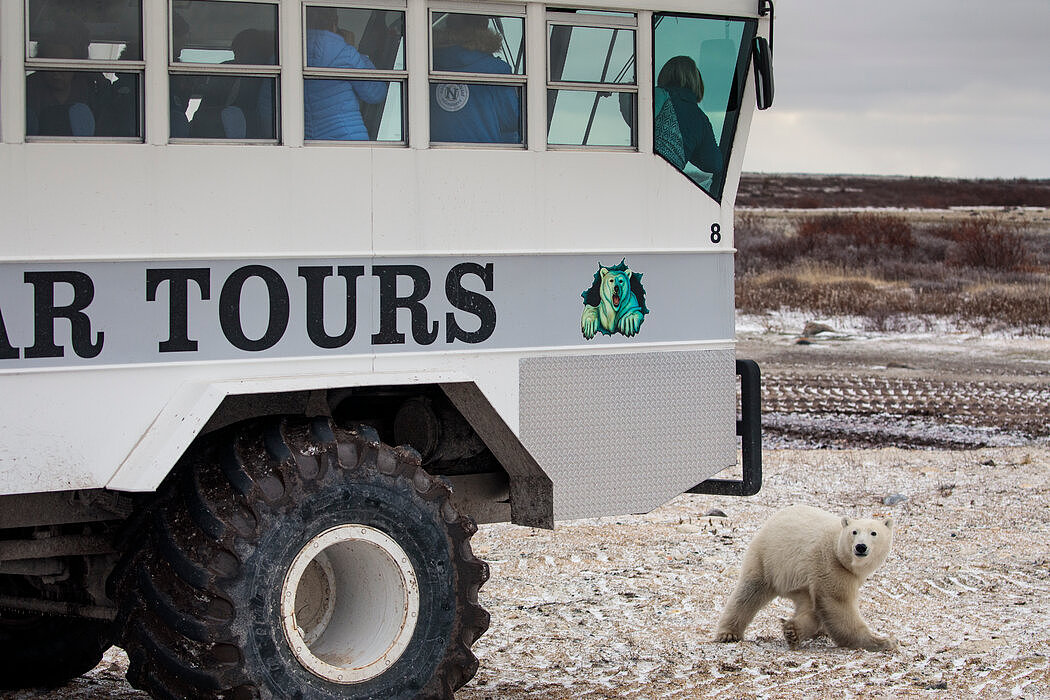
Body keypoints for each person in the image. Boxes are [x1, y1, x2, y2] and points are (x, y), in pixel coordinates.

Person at [430, 14, 520, 144]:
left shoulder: (427, 63)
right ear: (484, 27)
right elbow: (510, 120)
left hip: (433, 154)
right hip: (483, 156)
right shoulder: (497, 70)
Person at [304, 7, 387, 141]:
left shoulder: (283, 53)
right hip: (348, 140)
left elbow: (268, 106)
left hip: (302, 142)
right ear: (335, 23)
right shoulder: (345, 52)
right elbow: (375, 93)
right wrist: (359, 54)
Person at [26, 21, 111, 137]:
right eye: (50, 65)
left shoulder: (88, 87)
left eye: (64, 65)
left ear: (75, 65)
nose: (56, 73)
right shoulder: (28, 87)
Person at [654, 56, 723, 185]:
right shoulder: (701, 119)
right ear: (696, 82)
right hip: (669, 181)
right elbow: (714, 164)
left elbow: (638, 122)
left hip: (648, 169)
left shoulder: (660, 94)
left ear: (665, 75)